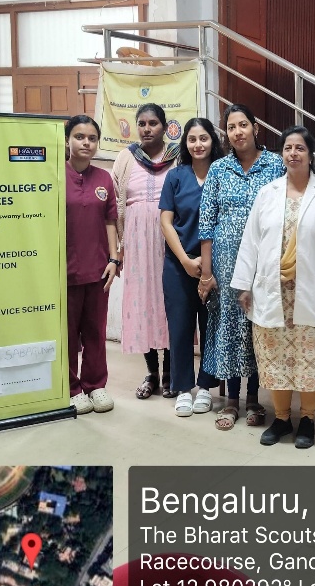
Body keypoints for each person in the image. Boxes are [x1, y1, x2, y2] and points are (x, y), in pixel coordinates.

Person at [231, 126, 315, 449]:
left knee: (311, 354)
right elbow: (251, 241)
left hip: (312, 291)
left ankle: (307, 419)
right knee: (276, 355)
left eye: (300, 148)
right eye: (288, 148)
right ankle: (281, 418)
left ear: (311, 155)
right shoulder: (268, 192)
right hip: (273, 289)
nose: (293, 154)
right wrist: (244, 284)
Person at [198, 104, 285, 431]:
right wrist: (207, 273)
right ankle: (231, 401)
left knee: (257, 329)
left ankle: (254, 399)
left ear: (255, 127)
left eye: (243, 125)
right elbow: (206, 224)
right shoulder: (219, 170)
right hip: (225, 264)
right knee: (231, 330)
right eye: (231, 127)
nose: (238, 132)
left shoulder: (275, 165)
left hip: (264, 267)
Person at [113, 103, 179, 400]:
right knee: (144, 305)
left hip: (169, 241)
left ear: (165, 127)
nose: (147, 128)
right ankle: (152, 373)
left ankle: (170, 372)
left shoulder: (178, 157)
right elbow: (114, 204)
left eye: (153, 123)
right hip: (137, 243)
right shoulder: (126, 158)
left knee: (169, 304)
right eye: (142, 123)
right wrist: (118, 248)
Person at [159, 117, 223, 418]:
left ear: (213, 141)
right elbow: (165, 221)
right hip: (178, 265)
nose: (198, 145)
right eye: (192, 139)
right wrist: (185, 260)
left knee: (211, 328)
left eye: (204, 138)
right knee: (181, 328)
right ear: (185, 143)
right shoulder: (176, 176)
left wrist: (206, 265)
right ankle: (183, 388)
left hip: (215, 267)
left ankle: (206, 388)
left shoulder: (223, 173)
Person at [64, 115, 118, 415]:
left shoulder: (104, 178)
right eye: (79, 137)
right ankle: (72, 389)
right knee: (70, 334)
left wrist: (113, 258)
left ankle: (95, 385)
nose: (86, 143)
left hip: (99, 269)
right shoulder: (54, 174)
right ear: (67, 140)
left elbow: (111, 219)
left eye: (92, 138)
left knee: (96, 332)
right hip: (66, 271)